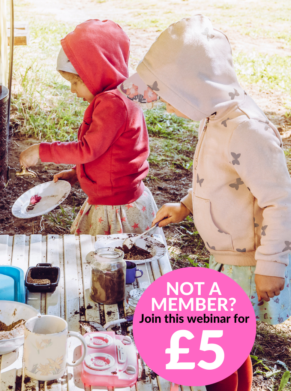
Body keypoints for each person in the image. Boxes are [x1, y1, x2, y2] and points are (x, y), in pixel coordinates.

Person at [127, 15, 291, 391]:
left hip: (250, 261)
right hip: (228, 254)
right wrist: (186, 205)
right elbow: (222, 180)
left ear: (197, 88)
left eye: (171, 96)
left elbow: (280, 200)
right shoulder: (215, 117)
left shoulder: (248, 130)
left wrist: (271, 265)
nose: (165, 106)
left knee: (217, 340)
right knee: (229, 341)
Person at [19, 19, 157, 236]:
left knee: (108, 261)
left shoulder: (112, 104)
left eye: (76, 82)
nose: (73, 90)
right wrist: (78, 173)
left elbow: (88, 149)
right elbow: (111, 152)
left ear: (96, 73)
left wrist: (41, 150)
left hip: (115, 207)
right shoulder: (122, 93)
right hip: (116, 195)